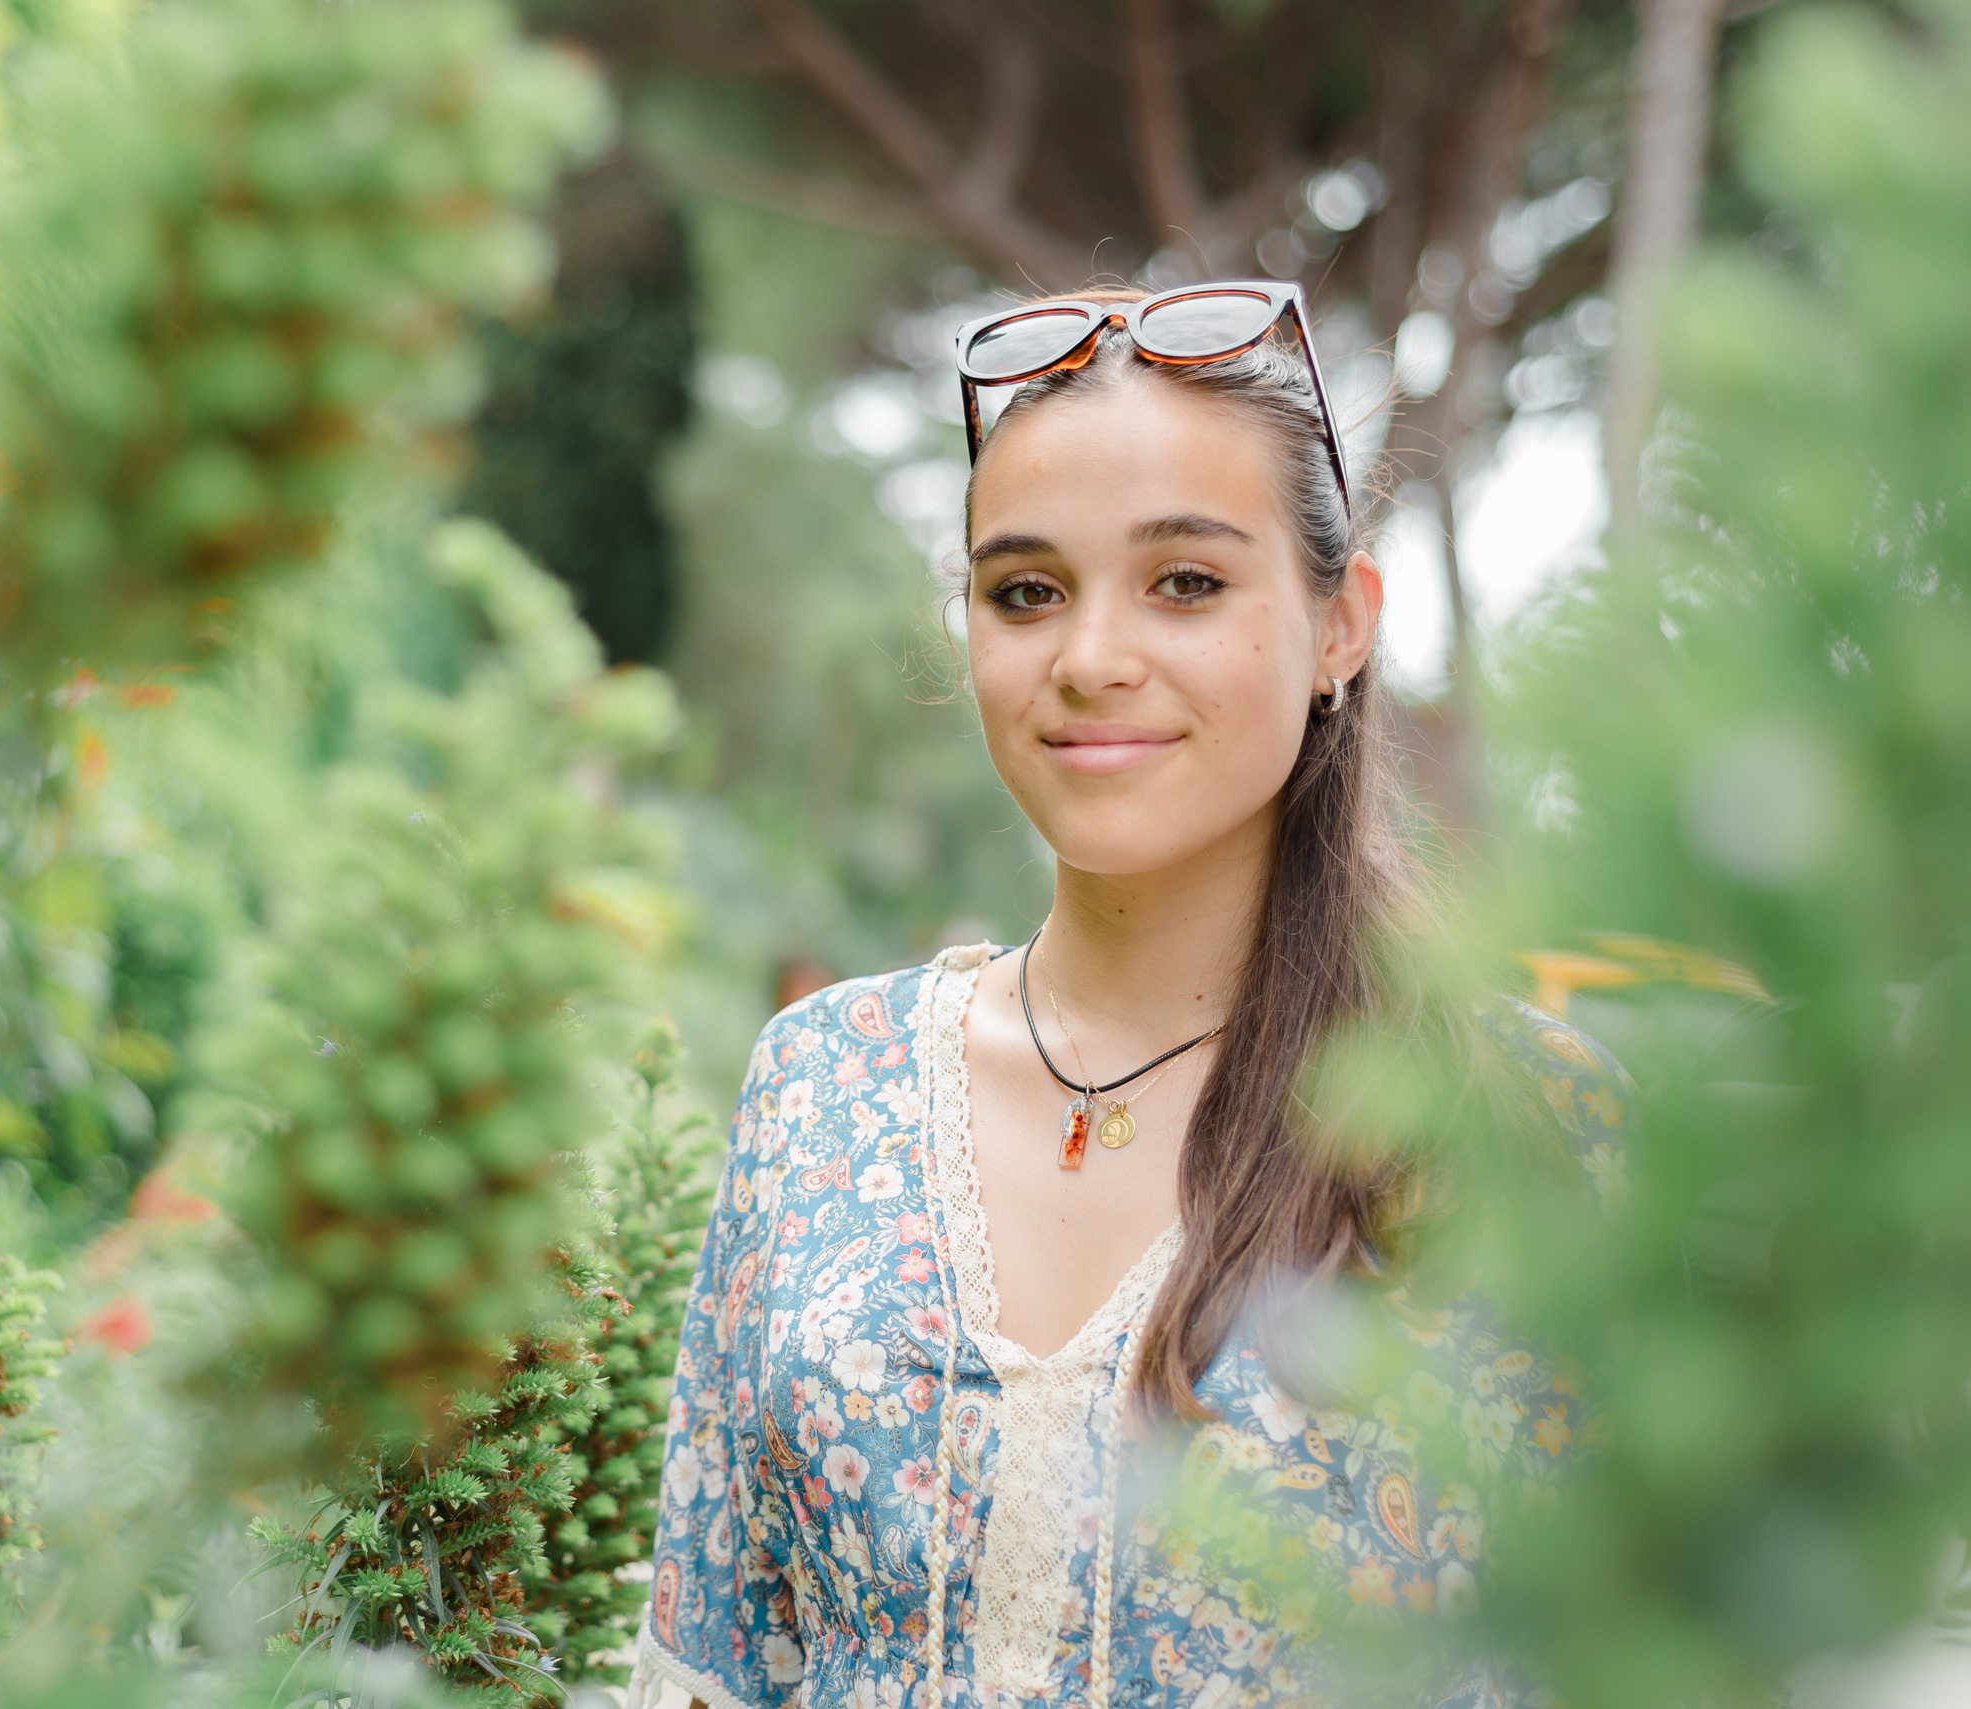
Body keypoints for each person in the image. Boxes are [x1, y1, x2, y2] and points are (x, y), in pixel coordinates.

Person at [631, 286, 1628, 1709]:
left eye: (1186, 583)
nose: (1091, 657)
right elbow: (703, 1666)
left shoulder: (1515, 1124)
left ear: (1342, 625)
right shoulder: (818, 1082)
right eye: (1026, 591)